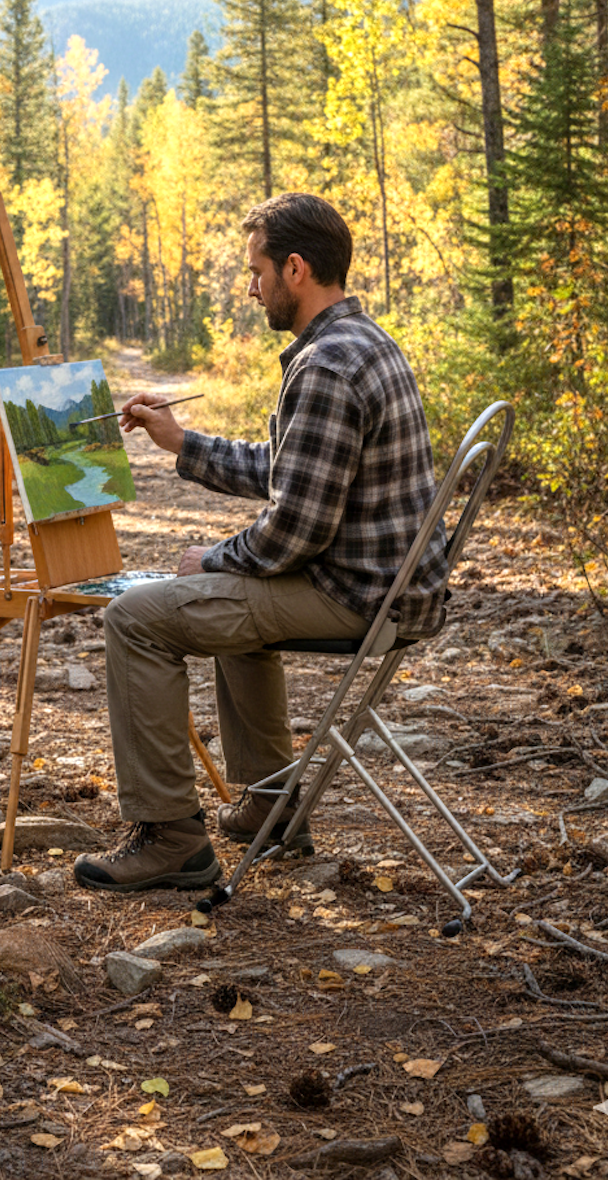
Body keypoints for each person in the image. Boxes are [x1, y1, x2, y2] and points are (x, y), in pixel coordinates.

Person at [74, 192, 448, 894]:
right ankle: (274, 806)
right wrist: (182, 443)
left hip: (360, 597)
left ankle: (173, 839)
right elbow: (292, 474)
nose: (251, 287)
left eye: (256, 271)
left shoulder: (327, 366)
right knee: (225, 591)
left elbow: (295, 531)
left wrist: (211, 560)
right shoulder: (361, 342)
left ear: (296, 269)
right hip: (387, 586)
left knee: (136, 618)